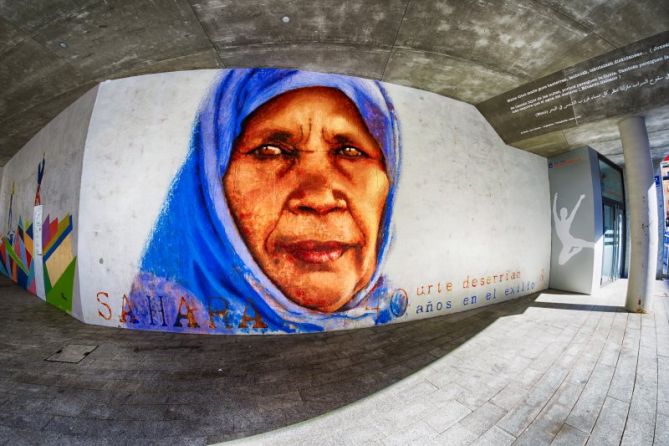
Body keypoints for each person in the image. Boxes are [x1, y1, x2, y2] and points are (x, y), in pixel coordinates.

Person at [125, 68, 405, 334]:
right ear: (212, 186)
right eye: (271, 151)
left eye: (350, 151)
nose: (319, 198)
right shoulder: (161, 317)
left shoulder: (388, 310)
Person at [553, 193, 593, 265]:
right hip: (566, 244)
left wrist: (580, 199)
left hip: (570, 240)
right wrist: (555, 199)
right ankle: (576, 251)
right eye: (562, 211)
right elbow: (554, 211)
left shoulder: (568, 221)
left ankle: (577, 250)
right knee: (560, 262)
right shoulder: (557, 221)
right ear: (560, 213)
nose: (564, 213)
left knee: (588, 244)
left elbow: (574, 210)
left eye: (565, 212)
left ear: (566, 214)